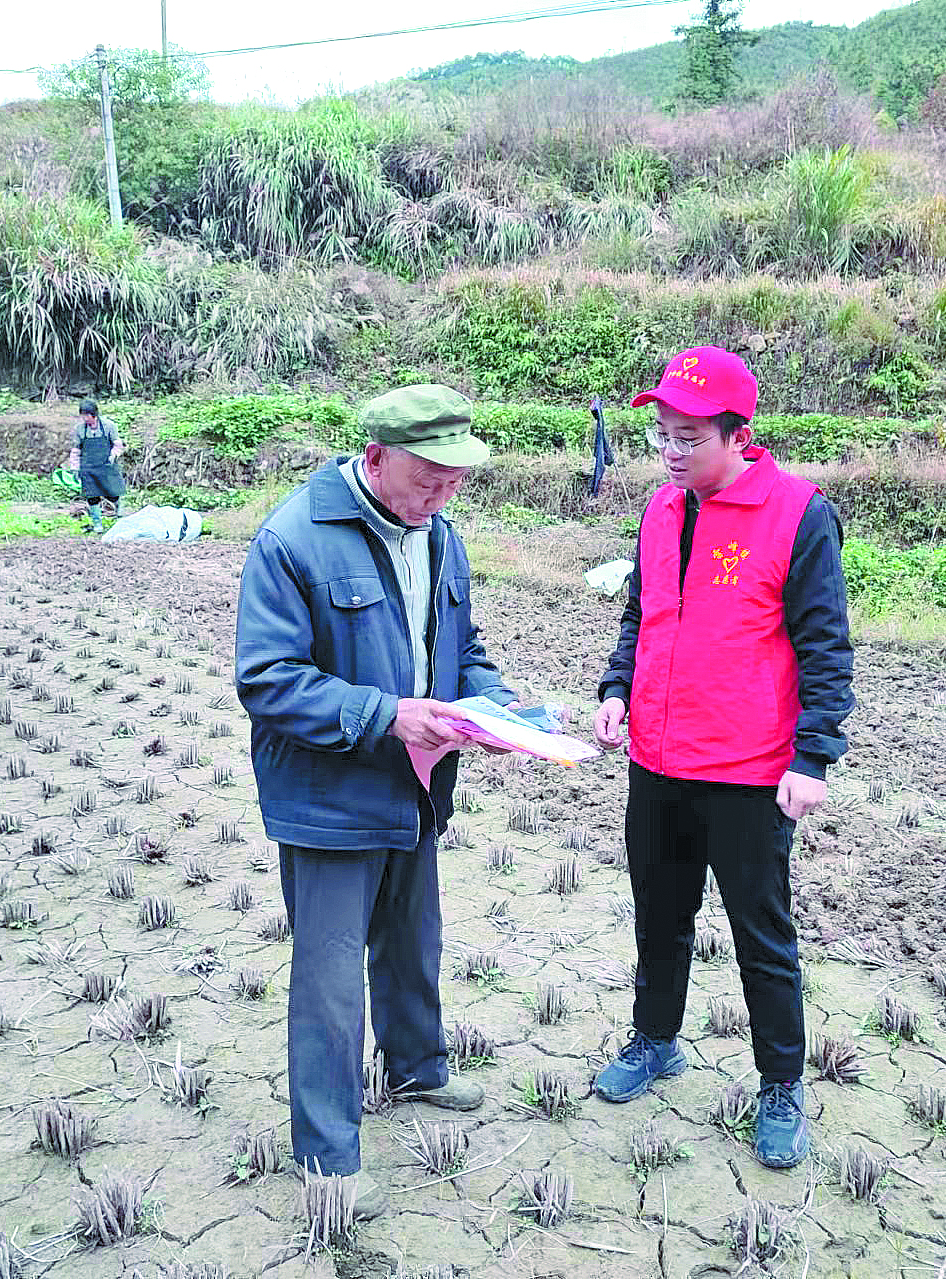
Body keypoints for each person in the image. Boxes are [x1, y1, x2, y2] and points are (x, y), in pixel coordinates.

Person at [235, 385, 521, 1219]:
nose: (444, 495)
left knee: (412, 941)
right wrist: (388, 715)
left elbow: (459, 647)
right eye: (429, 478)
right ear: (375, 460)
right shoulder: (295, 539)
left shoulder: (442, 536)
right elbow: (268, 679)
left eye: (456, 479)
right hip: (329, 798)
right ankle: (327, 1157)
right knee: (330, 978)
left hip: (415, 788)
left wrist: (495, 706)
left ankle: (418, 1067)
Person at [590, 346, 854, 1169]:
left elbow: (825, 648)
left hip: (747, 772)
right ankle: (655, 1039)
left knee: (760, 934)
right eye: (661, 434)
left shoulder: (799, 515)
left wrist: (813, 758)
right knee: (659, 918)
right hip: (658, 761)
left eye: (688, 436)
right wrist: (615, 686)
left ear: (740, 435)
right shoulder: (661, 510)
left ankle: (781, 1083)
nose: (671, 451)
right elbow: (642, 613)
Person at [66, 399, 124, 533]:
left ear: (94, 415)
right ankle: (97, 524)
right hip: (88, 467)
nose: (85, 418)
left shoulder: (109, 426)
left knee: (113, 494)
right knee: (92, 496)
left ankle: (119, 517)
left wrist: (113, 455)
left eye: (87, 415)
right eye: (82, 416)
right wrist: (75, 468)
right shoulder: (80, 429)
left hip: (106, 466)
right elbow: (76, 450)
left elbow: (117, 444)